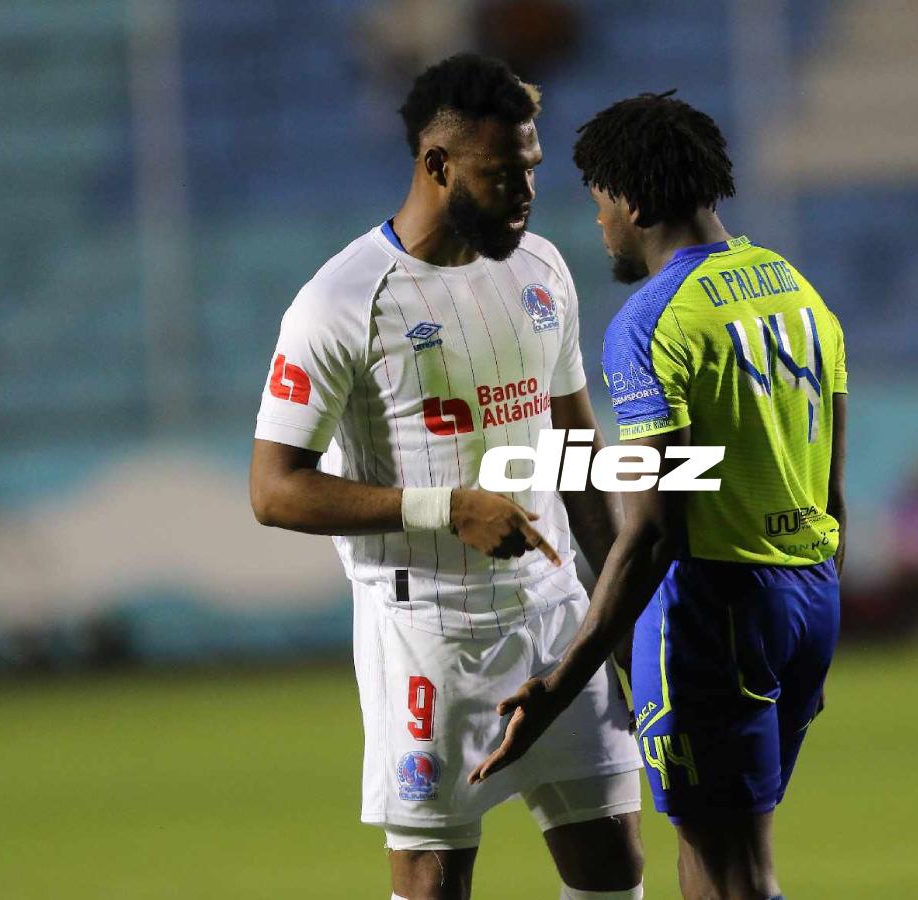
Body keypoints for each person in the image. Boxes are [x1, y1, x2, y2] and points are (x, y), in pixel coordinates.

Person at [249, 54, 644, 900]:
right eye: (503, 175)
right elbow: (274, 489)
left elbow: (578, 455)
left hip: (556, 620)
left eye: (531, 172)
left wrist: (623, 627)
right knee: (433, 884)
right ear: (437, 165)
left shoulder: (542, 271)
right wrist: (444, 507)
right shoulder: (343, 302)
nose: (526, 193)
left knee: (614, 867)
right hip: (429, 635)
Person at [471, 92, 849, 900]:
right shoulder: (798, 293)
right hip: (808, 595)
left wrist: (560, 683)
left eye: (601, 203)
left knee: (733, 871)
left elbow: (648, 531)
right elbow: (832, 491)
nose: (601, 223)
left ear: (633, 203)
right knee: (722, 843)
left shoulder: (648, 324)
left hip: (713, 609)